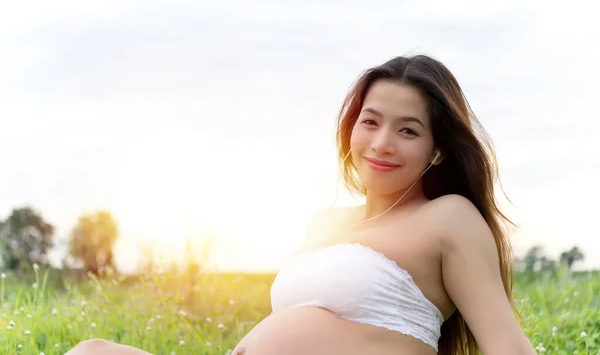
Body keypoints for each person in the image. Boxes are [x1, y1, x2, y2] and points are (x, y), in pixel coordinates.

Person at [66, 54, 537, 354]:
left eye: (408, 130)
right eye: (370, 122)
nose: (382, 143)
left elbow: (508, 348)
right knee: (92, 352)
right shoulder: (323, 224)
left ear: (437, 148)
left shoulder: (448, 217)